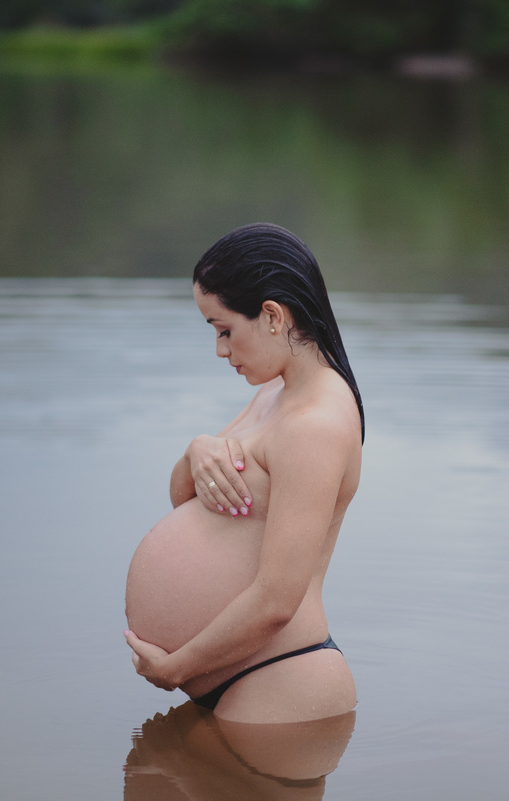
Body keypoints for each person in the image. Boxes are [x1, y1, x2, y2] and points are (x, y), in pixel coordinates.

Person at [124, 222, 363, 724]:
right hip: (240, 674)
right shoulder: (273, 394)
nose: (219, 350)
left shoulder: (315, 425)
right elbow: (185, 501)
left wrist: (176, 668)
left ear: (273, 316)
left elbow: (277, 599)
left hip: (278, 679)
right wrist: (197, 451)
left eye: (224, 330)